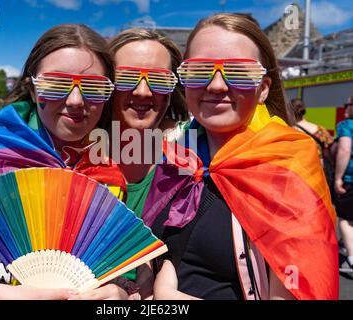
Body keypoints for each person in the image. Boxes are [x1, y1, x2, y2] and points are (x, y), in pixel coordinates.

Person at [142, 13, 338, 300]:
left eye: (238, 71)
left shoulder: (287, 166)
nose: (217, 85)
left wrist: (168, 297)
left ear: (263, 89)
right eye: (200, 70)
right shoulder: (176, 154)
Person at [0, 24, 130, 300]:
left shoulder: (107, 174)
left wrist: (118, 291)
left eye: (93, 87)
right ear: (33, 88)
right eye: (56, 83)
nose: (75, 100)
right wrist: (0, 295)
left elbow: (113, 268)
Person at [102, 28, 188, 297]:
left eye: (159, 80)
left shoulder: (189, 165)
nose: (142, 91)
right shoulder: (70, 160)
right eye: (126, 78)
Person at [292, 98, 335, 199]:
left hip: (296, 173)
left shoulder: (287, 130)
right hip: (317, 172)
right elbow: (328, 153)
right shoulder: (320, 130)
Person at [334, 96, 353, 275]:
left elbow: (345, 149)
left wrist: (338, 177)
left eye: (347, 104)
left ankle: (352, 258)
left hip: (351, 178)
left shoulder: (347, 125)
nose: (345, 108)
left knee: (346, 219)